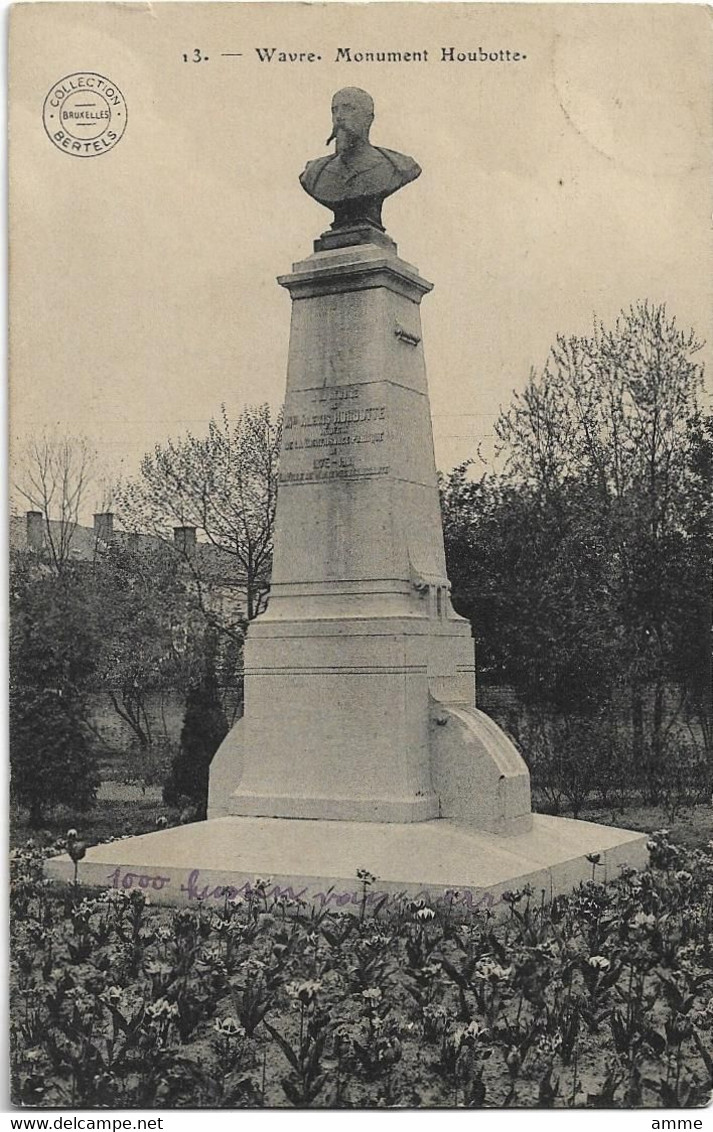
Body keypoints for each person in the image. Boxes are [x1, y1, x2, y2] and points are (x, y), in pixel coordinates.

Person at [300, 88, 421, 230]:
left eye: (348, 109)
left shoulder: (398, 166)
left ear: (369, 119)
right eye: (334, 110)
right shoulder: (314, 173)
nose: (339, 116)